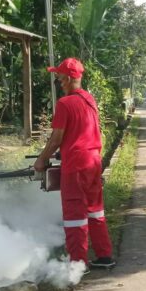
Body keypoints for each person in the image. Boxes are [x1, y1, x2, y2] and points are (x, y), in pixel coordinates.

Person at [33, 58, 115, 274]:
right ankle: (104, 256)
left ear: (68, 78)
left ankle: (78, 264)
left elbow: (56, 138)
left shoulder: (65, 103)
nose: (59, 81)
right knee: (95, 210)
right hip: (93, 161)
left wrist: (42, 159)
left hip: (77, 164)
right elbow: (79, 133)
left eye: (60, 77)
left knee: (74, 212)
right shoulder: (89, 99)